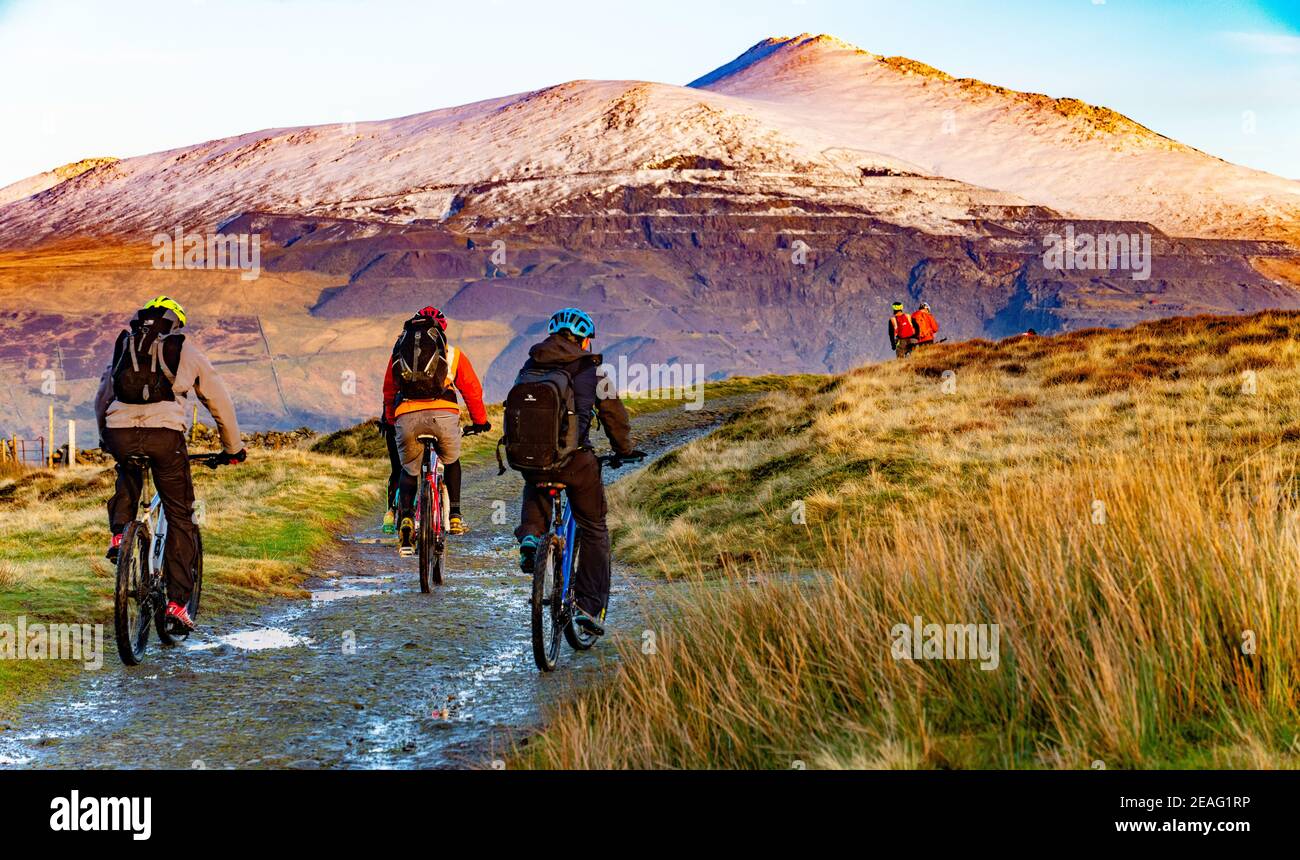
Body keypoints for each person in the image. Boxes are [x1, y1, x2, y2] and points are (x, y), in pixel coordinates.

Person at [94, 296, 246, 631]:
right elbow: (217, 398)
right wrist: (232, 448)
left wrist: (107, 438)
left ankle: (120, 534)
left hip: (121, 432)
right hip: (165, 437)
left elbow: (104, 395)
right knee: (181, 514)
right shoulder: (183, 348)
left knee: (128, 472)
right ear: (175, 322)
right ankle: (177, 605)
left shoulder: (125, 345)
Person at [513, 308, 642, 636]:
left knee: (536, 479)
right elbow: (614, 417)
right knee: (595, 527)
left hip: (533, 459)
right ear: (583, 340)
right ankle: (588, 606)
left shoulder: (531, 364)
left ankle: (530, 536)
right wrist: (624, 451)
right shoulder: (593, 372)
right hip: (574, 461)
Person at [382, 306, 490, 553]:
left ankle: (407, 517)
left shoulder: (399, 352)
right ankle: (455, 516)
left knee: (409, 470)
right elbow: (472, 391)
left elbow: (388, 390)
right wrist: (480, 420)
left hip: (407, 416)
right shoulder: (453, 354)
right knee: (451, 461)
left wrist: (391, 419)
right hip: (444, 416)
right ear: (441, 331)